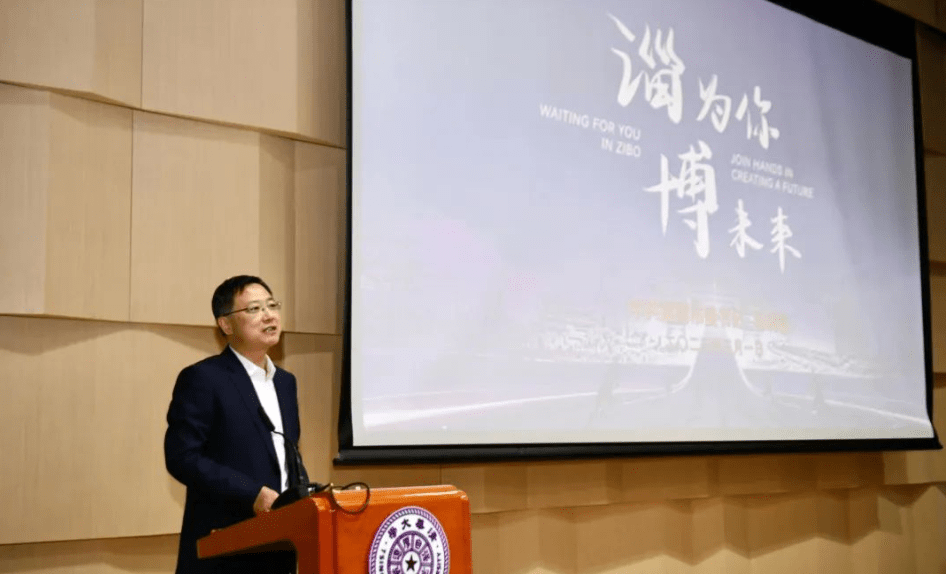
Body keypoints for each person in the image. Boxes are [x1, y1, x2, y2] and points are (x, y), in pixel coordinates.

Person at [165, 275, 305, 574]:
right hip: (224, 547)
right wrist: (252, 493)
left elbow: (286, 457)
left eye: (272, 305)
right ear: (226, 325)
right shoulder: (204, 378)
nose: (269, 315)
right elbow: (182, 457)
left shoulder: (286, 383)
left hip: (279, 547)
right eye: (254, 309)